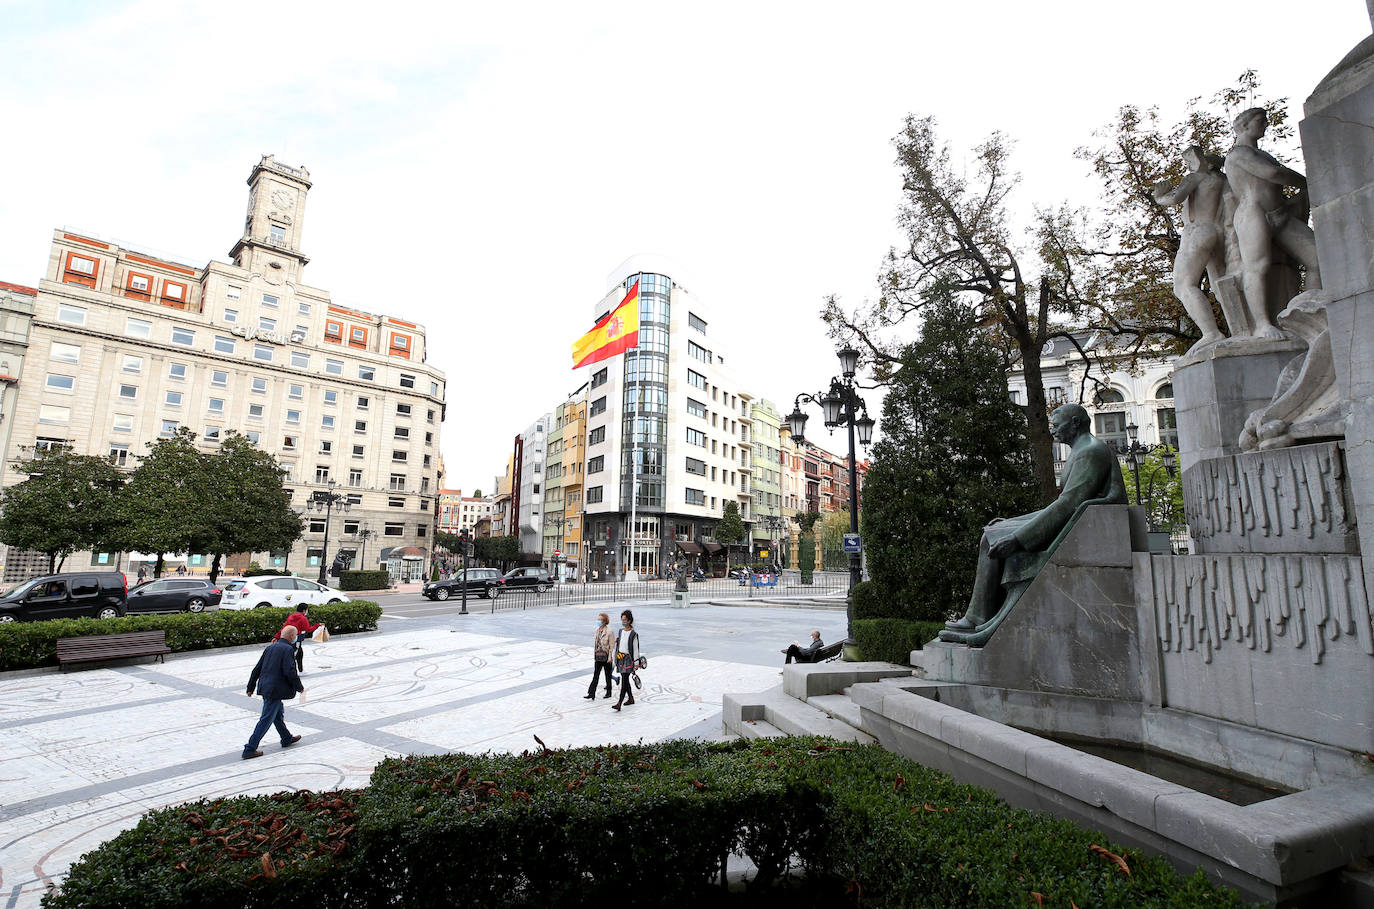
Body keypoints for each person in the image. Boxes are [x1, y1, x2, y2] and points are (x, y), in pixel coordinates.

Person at [941, 403, 1126, 642]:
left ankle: (982, 620)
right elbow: (1064, 504)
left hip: (1081, 528)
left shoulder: (1090, 451)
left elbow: (1069, 504)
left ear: (1075, 423)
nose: (1053, 431)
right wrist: (1013, 523)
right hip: (1075, 522)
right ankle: (979, 617)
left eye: (1057, 425)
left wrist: (1018, 538)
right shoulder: (1083, 450)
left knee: (995, 539)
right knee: (994, 530)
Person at [1225, 107, 1322, 337]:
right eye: (1260, 120)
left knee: (1318, 259)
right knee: (1256, 267)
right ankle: (1262, 325)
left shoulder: (1263, 153)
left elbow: (1275, 171)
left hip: (1281, 213)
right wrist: (1309, 182)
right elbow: (1272, 174)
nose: (1265, 124)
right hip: (1253, 212)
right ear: (1244, 126)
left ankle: (1307, 316)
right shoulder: (1237, 154)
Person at [1151, 146, 1228, 351]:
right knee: (1221, 285)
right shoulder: (1224, 181)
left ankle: (1211, 333)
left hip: (1197, 231)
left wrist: (1159, 196)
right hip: (1218, 232)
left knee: (1183, 285)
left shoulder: (1197, 177)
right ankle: (1240, 328)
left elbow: (1175, 198)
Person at [242, 625, 305, 759]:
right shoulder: (287, 649)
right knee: (266, 718)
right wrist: (299, 686)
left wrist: (250, 686)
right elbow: (290, 671)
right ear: (292, 636)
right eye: (295, 636)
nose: (296, 638)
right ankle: (250, 748)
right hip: (275, 689)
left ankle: (286, 738)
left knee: (277, 714)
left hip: (266, 687)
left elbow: (257, 668)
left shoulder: (270, 647)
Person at [274, 603, 321, 672]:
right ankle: (295, 671)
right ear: (304, 610)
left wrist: (276, 637)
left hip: (288, 638)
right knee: (296, 655)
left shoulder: (291, 616)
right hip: (297, 639)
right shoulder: (303, 618)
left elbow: (285, 627)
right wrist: (317, 625)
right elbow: (308, 629)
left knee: (296, 653)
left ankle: (299, 670)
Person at [611, 609, 640, 711]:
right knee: (625, 680)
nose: (623, 622)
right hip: (620, 658)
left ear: (629, 620)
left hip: (628, 660)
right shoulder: (621, 631)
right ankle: (631, 698)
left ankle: (619, 703)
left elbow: (635, 649)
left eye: (625, 620)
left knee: (624, 680)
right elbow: (620, 644)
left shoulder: (633, 634)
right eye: (622, 619)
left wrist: (636, 662)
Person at [584, 613, 614, 700]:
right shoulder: (597, 630)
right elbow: (596, 644)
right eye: (598, 619)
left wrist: (610, 657)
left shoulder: (609, 631)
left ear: (604, 621)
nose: (598, 621)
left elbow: (611, 646)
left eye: (600, 620)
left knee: (607, 675)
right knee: (595, 675)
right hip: (598, 656)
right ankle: (591, 693)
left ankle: (609, 692)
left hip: (606, 656)